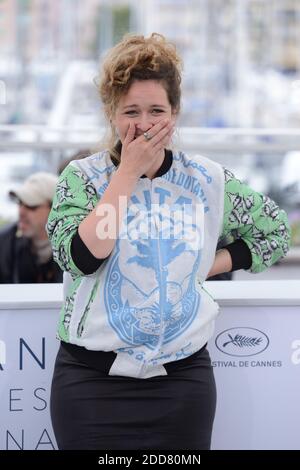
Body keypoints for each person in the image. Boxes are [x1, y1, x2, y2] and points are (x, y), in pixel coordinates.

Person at [47, 33, 291, 450]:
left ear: (175, 113)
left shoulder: (207, 179)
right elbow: (82, 258)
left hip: (180, 383)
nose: (144, 124)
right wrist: (126, 174)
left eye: (156, 110)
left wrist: (204, 265)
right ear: (111, 114)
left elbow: (274, 232)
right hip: (90, 385)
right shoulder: (81, 178)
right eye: (131, 112)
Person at [0, 172, 62, 283]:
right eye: (19, 203)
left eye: (31, 205)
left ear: (55, 209)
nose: (21, 212)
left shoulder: (74, 246)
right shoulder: (4, 244)